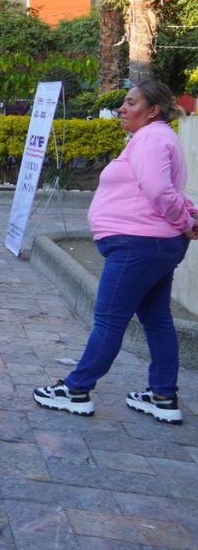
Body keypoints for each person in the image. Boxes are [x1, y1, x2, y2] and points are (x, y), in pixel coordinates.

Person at [34, 81, 198, 424]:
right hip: (150, 245)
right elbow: (168, 190)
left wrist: (184, 221)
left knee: (109, 320)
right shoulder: (157, 136)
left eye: (130, 102)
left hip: (138, 245)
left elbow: (159, 191)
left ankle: (77, 390)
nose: (122, 108)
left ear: (152, 110)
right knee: (156, 319)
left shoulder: (152, 138)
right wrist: (187, 219)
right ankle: (162, 396)